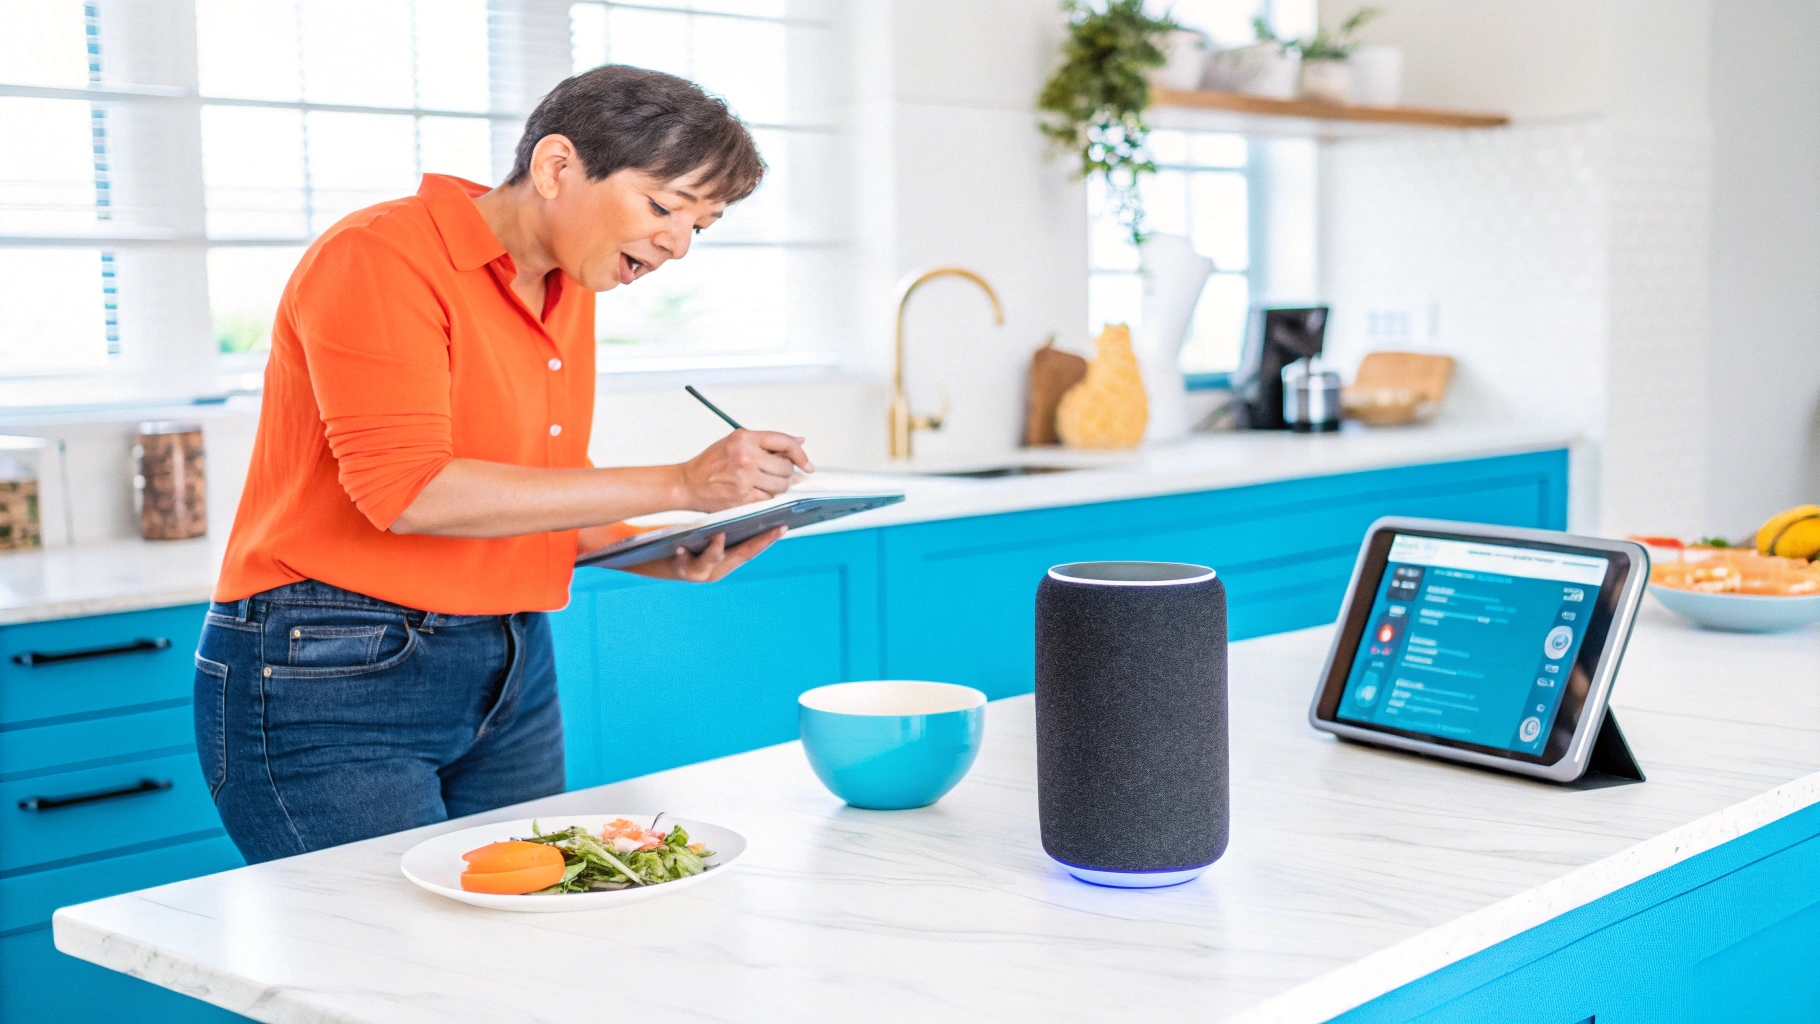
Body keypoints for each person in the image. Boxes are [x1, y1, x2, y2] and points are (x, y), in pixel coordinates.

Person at [195, 65, 811, 864]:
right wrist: (683, 483)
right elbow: (410, 491)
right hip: (333, 666)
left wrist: (644, 545)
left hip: (510, 661)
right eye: (663, 208)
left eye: (703, 225)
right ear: (557, 167)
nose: (678, 245)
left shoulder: (571, 284)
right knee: (384, 961)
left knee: (518, 946)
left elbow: (524, 476)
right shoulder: (380, 256)